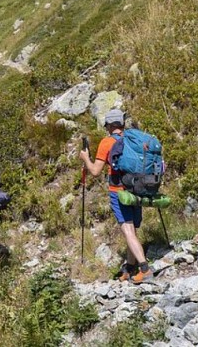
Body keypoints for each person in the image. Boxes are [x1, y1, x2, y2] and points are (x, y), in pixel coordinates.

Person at [79, 108, 152, 284]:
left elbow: (95, 171)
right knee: (132, 229)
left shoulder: (106, 142)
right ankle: (130, 267)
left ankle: (145, 268)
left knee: (127, 230)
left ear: (110, 125)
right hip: (137, 188)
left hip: (118, 191)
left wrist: (85, 158)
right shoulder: (134, 139)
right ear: (122, 123)